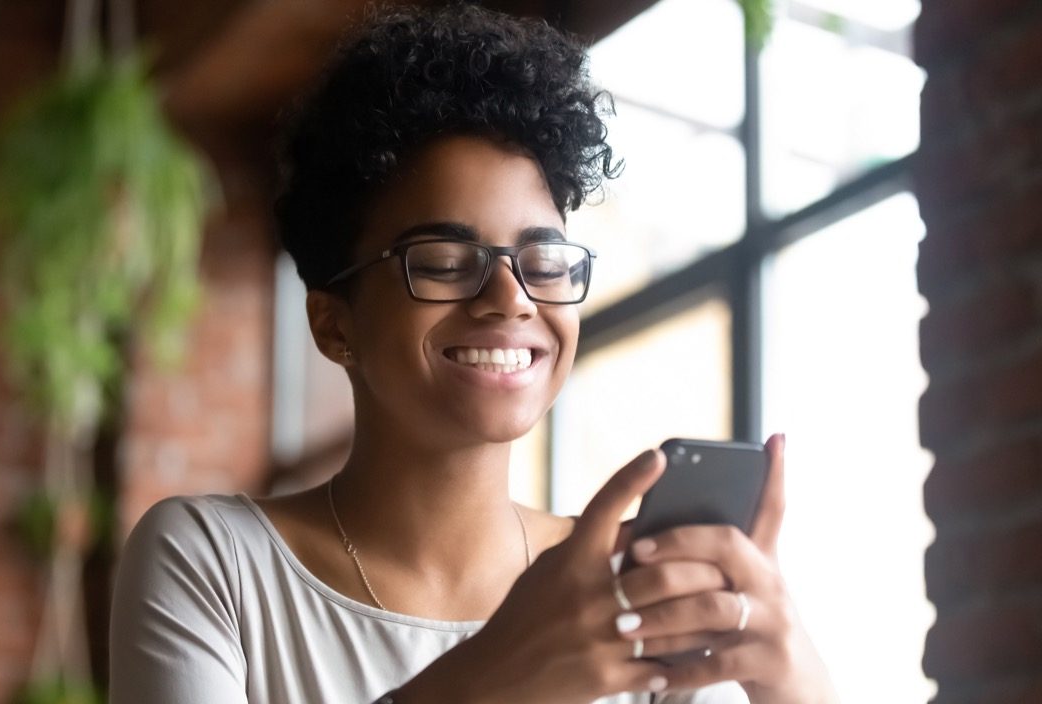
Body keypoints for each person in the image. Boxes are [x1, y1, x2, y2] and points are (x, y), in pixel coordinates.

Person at [109, 4, 838, 703]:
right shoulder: (214, 561)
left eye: (543, 261)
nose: (511, 298)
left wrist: (796, 686)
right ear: (333, 325)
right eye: (444, 261)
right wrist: (490, 679)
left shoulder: (628, 590)